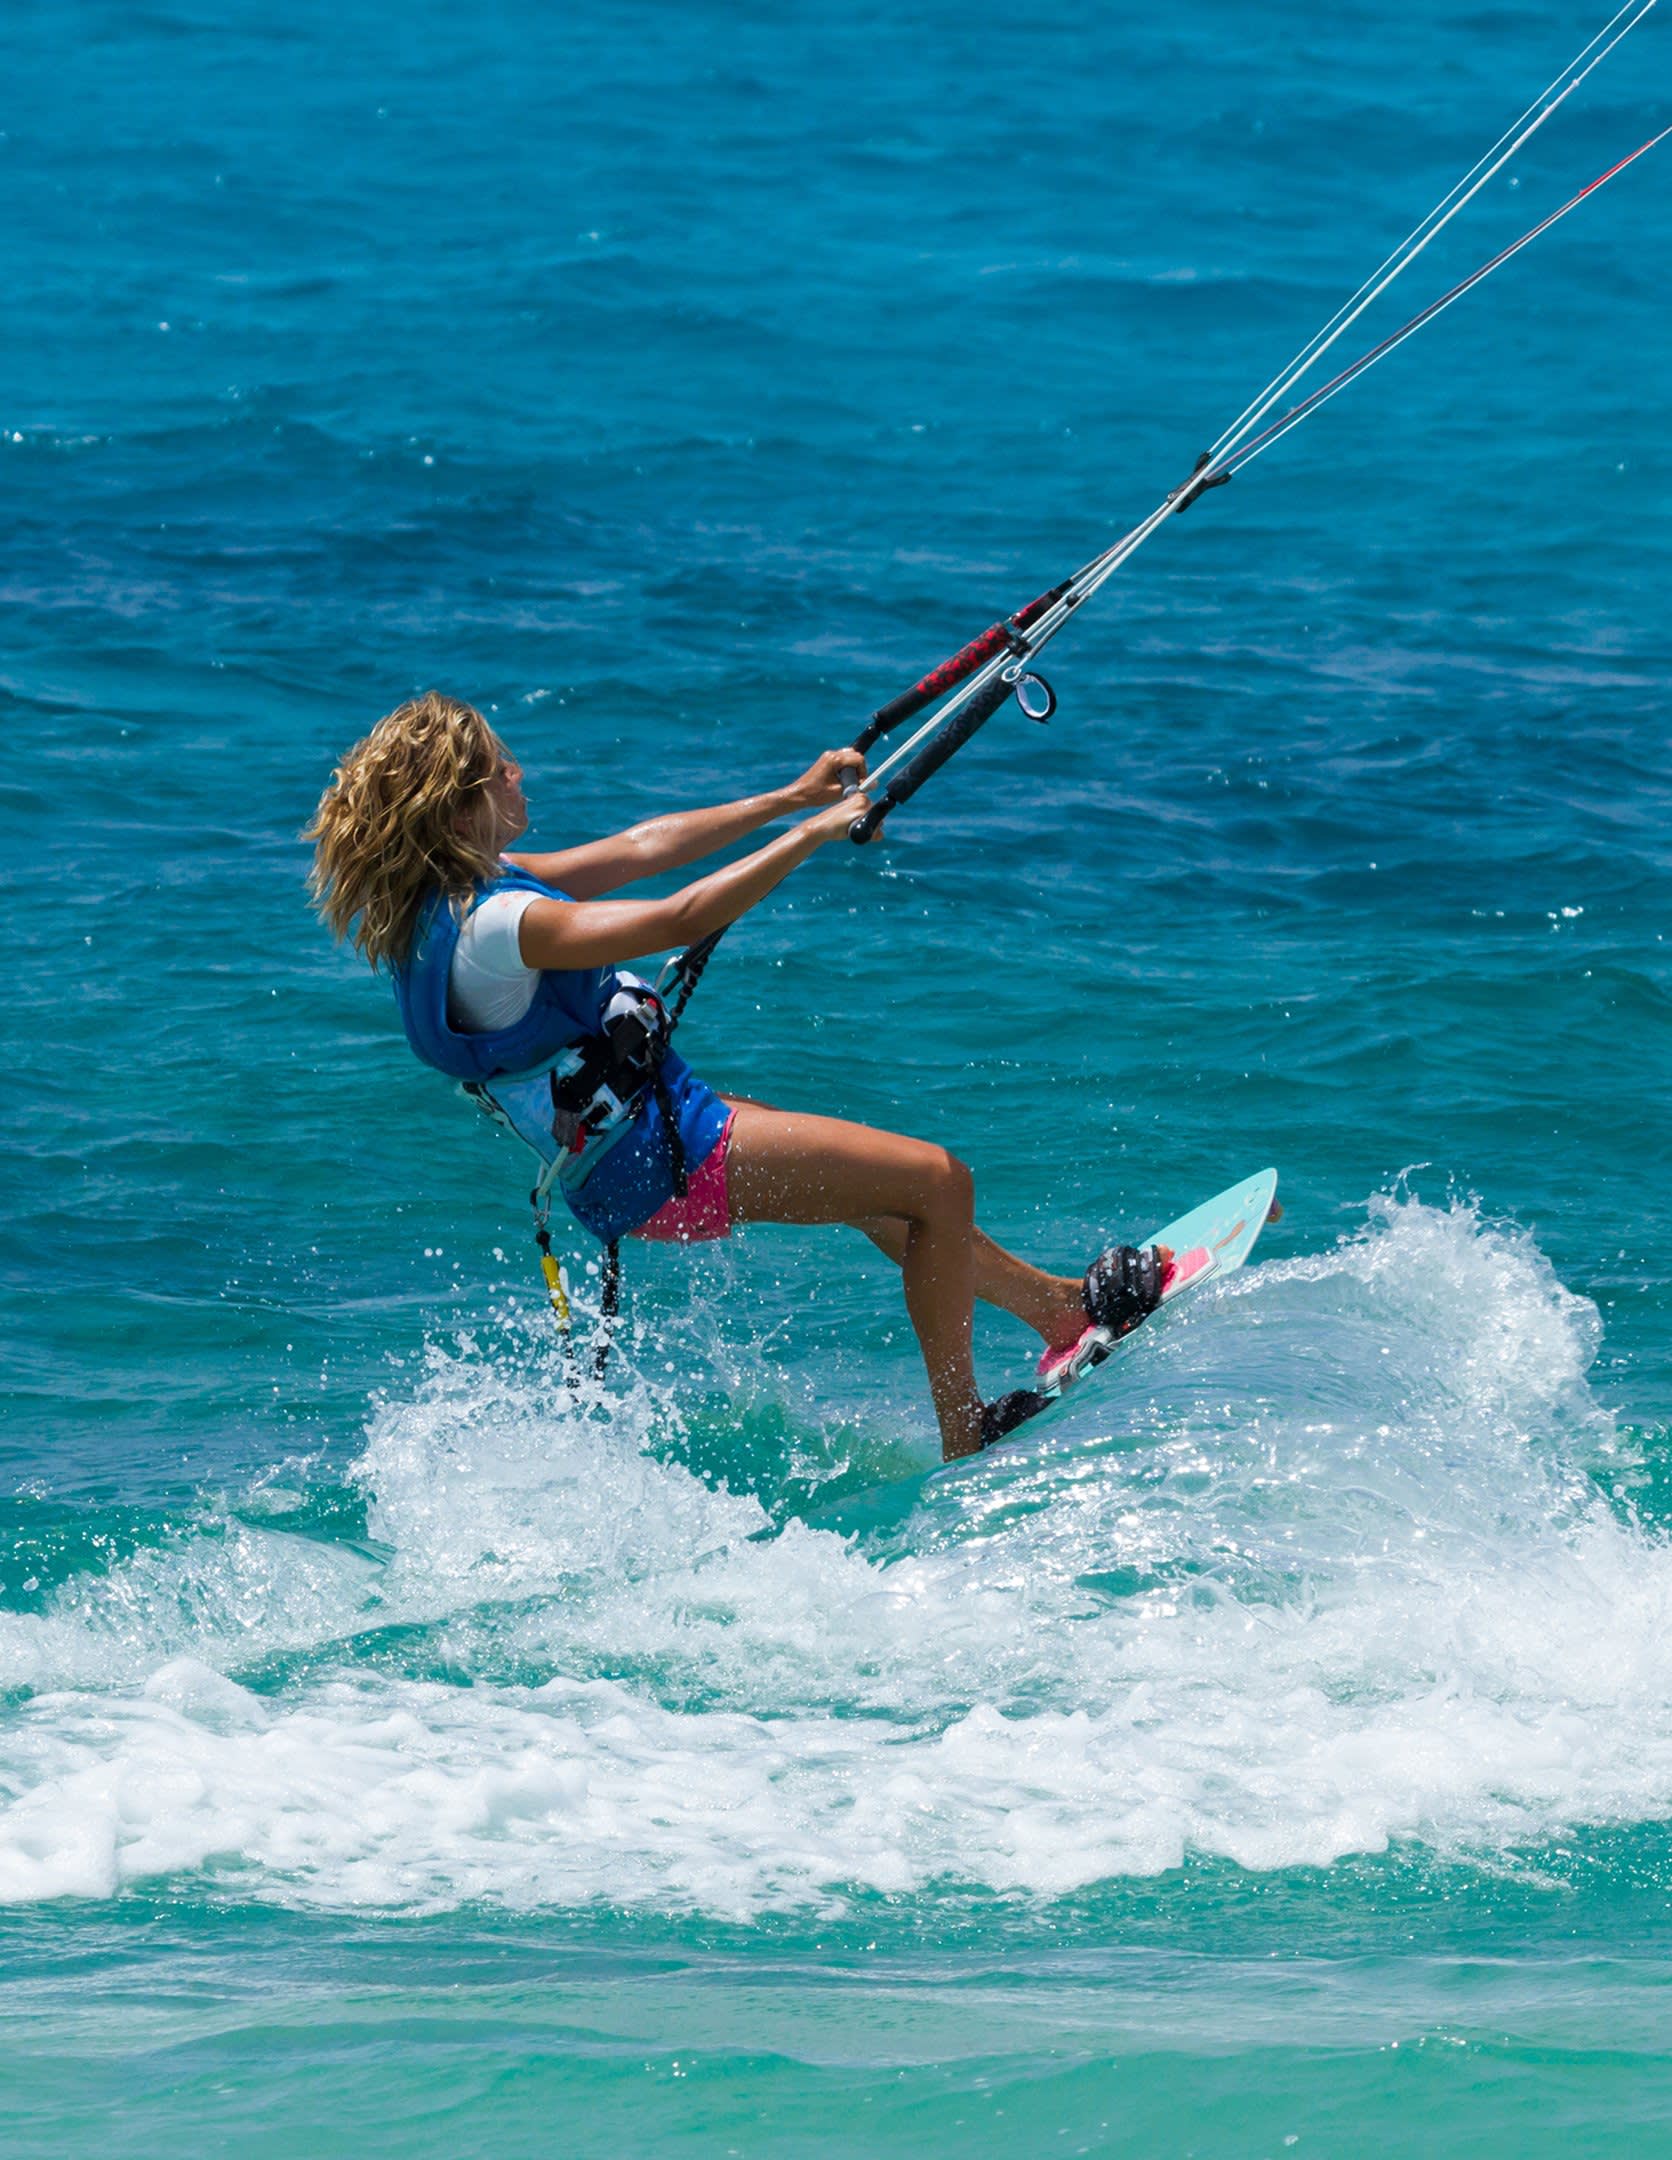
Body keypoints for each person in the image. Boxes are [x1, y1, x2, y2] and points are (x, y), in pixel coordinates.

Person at [307, 691, 1171, 1460]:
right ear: (461, 812)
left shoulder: (437, 917)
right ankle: (965, 1429)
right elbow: (676, 913)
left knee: (882, 1200)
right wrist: (810, 835)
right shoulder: (499, 926)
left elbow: (641, 849)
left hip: (630, 1163)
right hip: (665, 1158)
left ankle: (1059, 1313)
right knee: (940, 1183)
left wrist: (785, 798)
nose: (518, 772)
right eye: (500, 768)